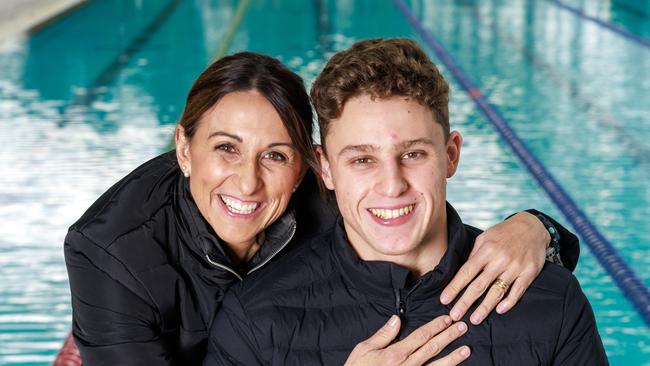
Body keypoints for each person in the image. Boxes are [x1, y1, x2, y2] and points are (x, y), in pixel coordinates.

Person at [65, 51, 579, 365]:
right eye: (225, 148)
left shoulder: (341, 198)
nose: (248, 180)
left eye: (275, 155)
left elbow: (412, 210)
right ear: (183, 149)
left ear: (309, 168)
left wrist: (539, 229)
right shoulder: (111, 253)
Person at [204, 39, 607, 365]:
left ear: (450, 155)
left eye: (413, 154)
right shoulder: (256, 318)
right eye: (362, 159)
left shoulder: (549, 301)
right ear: (325, 168)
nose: (392, 185)